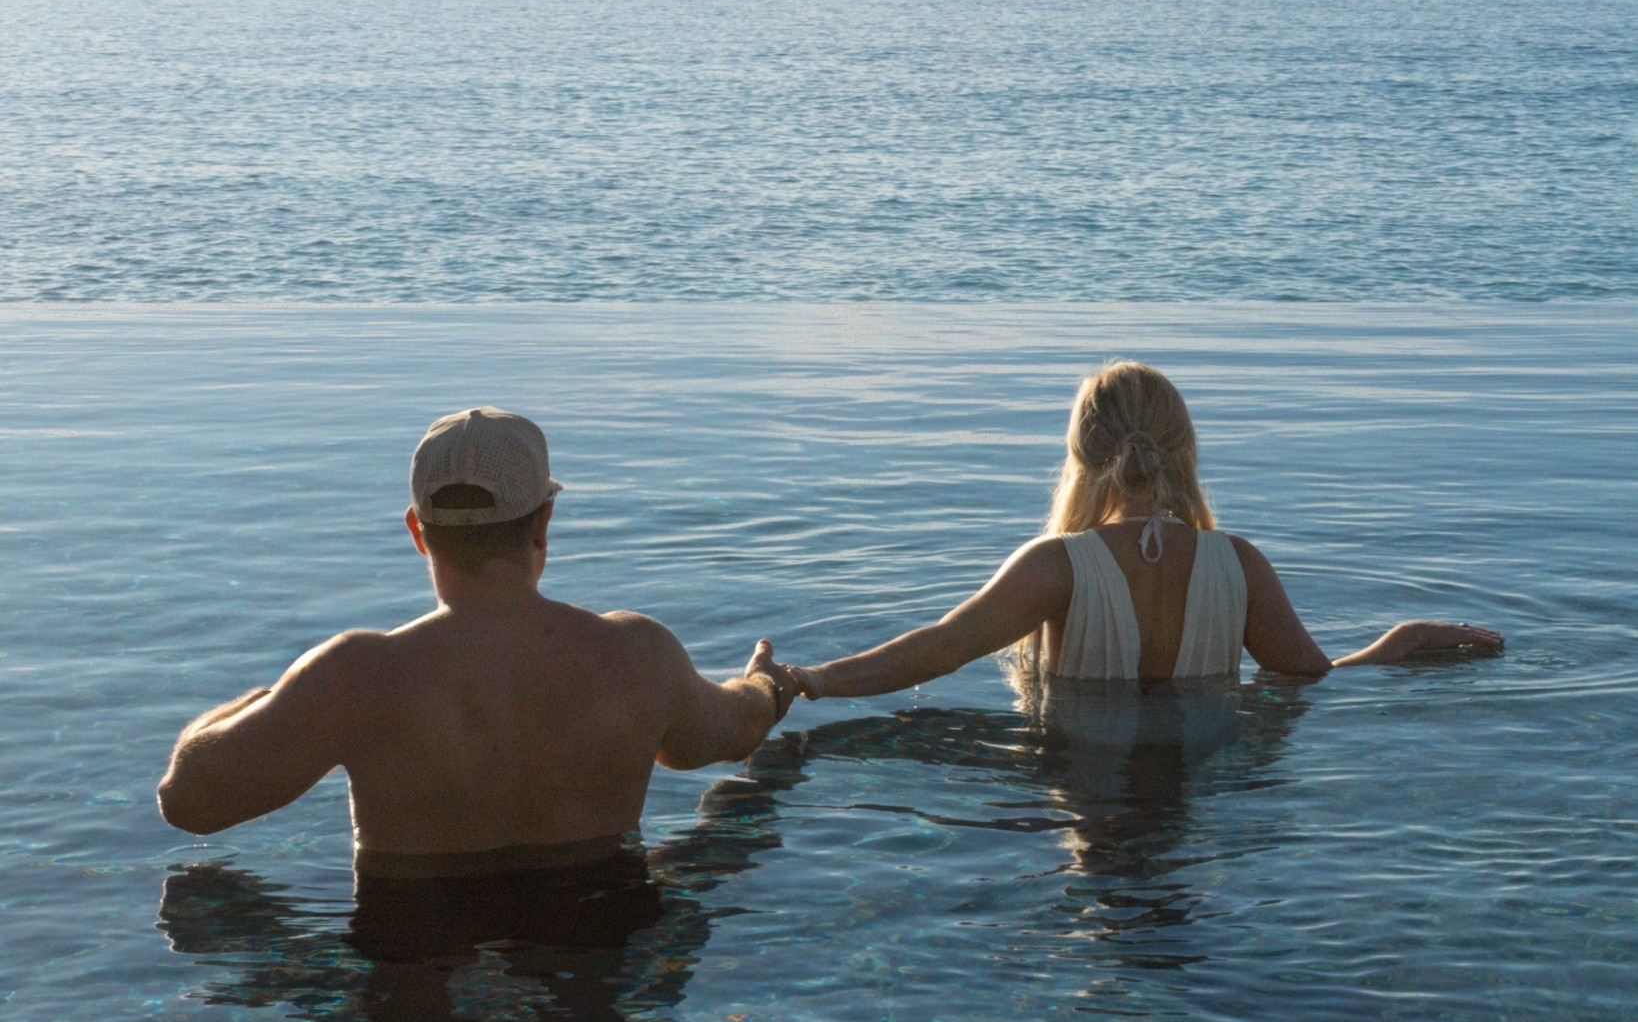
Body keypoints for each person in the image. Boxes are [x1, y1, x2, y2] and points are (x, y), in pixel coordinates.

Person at [157, 407, 801, 879]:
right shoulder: (638, 653)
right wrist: (771, 683)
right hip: (595, 984)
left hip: (415, 997)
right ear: (543, 522)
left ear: (417, 530)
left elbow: (187, 804)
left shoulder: (356, 675)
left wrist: (266, 700)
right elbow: (729, 732)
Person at [787, 360, 1503, 701]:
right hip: (1202, 805)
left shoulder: (1057, 567)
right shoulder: (1239, 565)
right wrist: (1400, 642)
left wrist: (806, 680)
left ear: (1082, 457)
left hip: (1084, 799)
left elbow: (939, 652)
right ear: (1184, 450)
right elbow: (1313, 678)